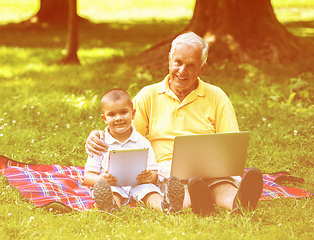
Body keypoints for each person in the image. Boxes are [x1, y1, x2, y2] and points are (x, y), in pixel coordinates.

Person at [86, 32, 263, 215]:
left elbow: (230, 143)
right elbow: (123, 130)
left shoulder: (217, 96)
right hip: (167, 169)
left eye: (191, 65)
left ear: (202, 69)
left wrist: (223, 167)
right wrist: (97, 134)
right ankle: (198, 201)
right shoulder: (149, 95)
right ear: (169, 60)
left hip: (210, 167)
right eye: (178, 62)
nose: (182, 71)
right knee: (180, 186)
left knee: (222, 183)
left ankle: (238, 202)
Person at [84, 89, 184, 213]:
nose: (118, 118)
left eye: (124, 112)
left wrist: (149, 176)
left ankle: (166, 206)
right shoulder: (99, 143)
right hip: (112, 185)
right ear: (104, 118)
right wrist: (102, 180)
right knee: (112, 192)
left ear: (133, 114)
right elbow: (88, 177)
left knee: (150, 192)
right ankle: (110, 207)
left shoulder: (142, 142)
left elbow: (154, 173)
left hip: (139, 184)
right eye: (112, 115)